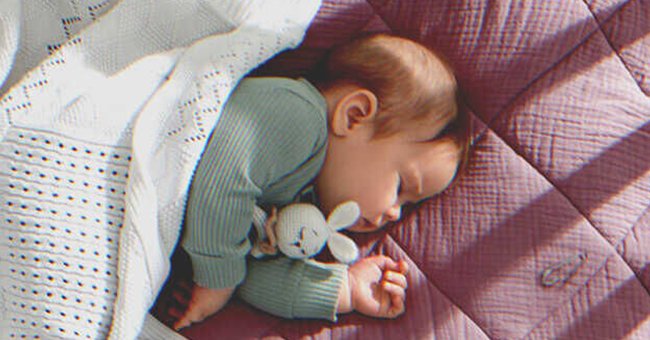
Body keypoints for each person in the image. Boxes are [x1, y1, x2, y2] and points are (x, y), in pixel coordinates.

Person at [166, 33, 470, 330]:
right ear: (353, 116)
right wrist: (220, 278)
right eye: (402, 187)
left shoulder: (305, 202)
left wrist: (346, 289)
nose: (395, 213)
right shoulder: (298, 115)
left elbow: (249, 274)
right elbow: (221, 178)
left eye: (407, 206)